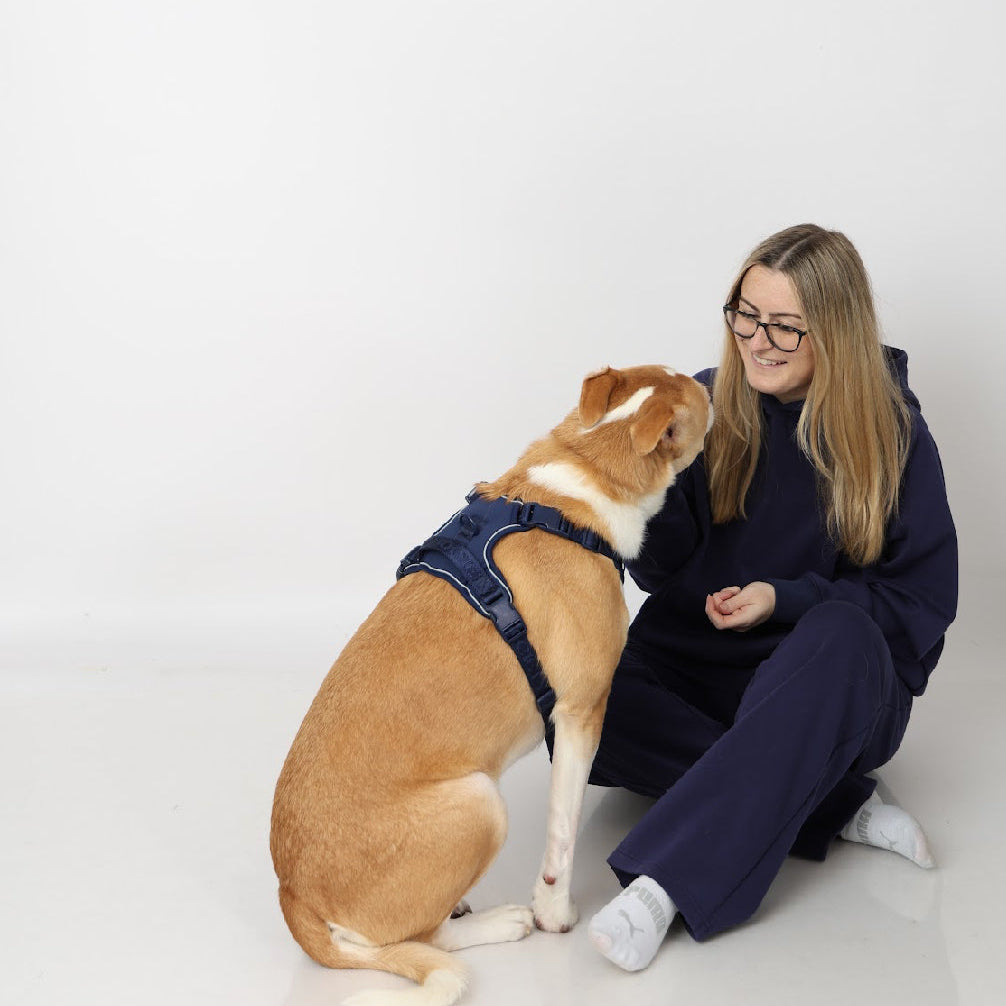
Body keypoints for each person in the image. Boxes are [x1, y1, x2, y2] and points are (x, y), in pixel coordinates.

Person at [583, 223, 958, 972]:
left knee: (842, 631)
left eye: (785, 325)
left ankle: (664, 886)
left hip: (825, 691)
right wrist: (643, 483)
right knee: (572, 694)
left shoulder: (894, 434)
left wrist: (785, 601)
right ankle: (831, 803)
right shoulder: (704, 404)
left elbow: (919, 603)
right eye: (746, 315)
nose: (758, 340)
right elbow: (658, 572)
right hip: (697, 673)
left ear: (836, 330)